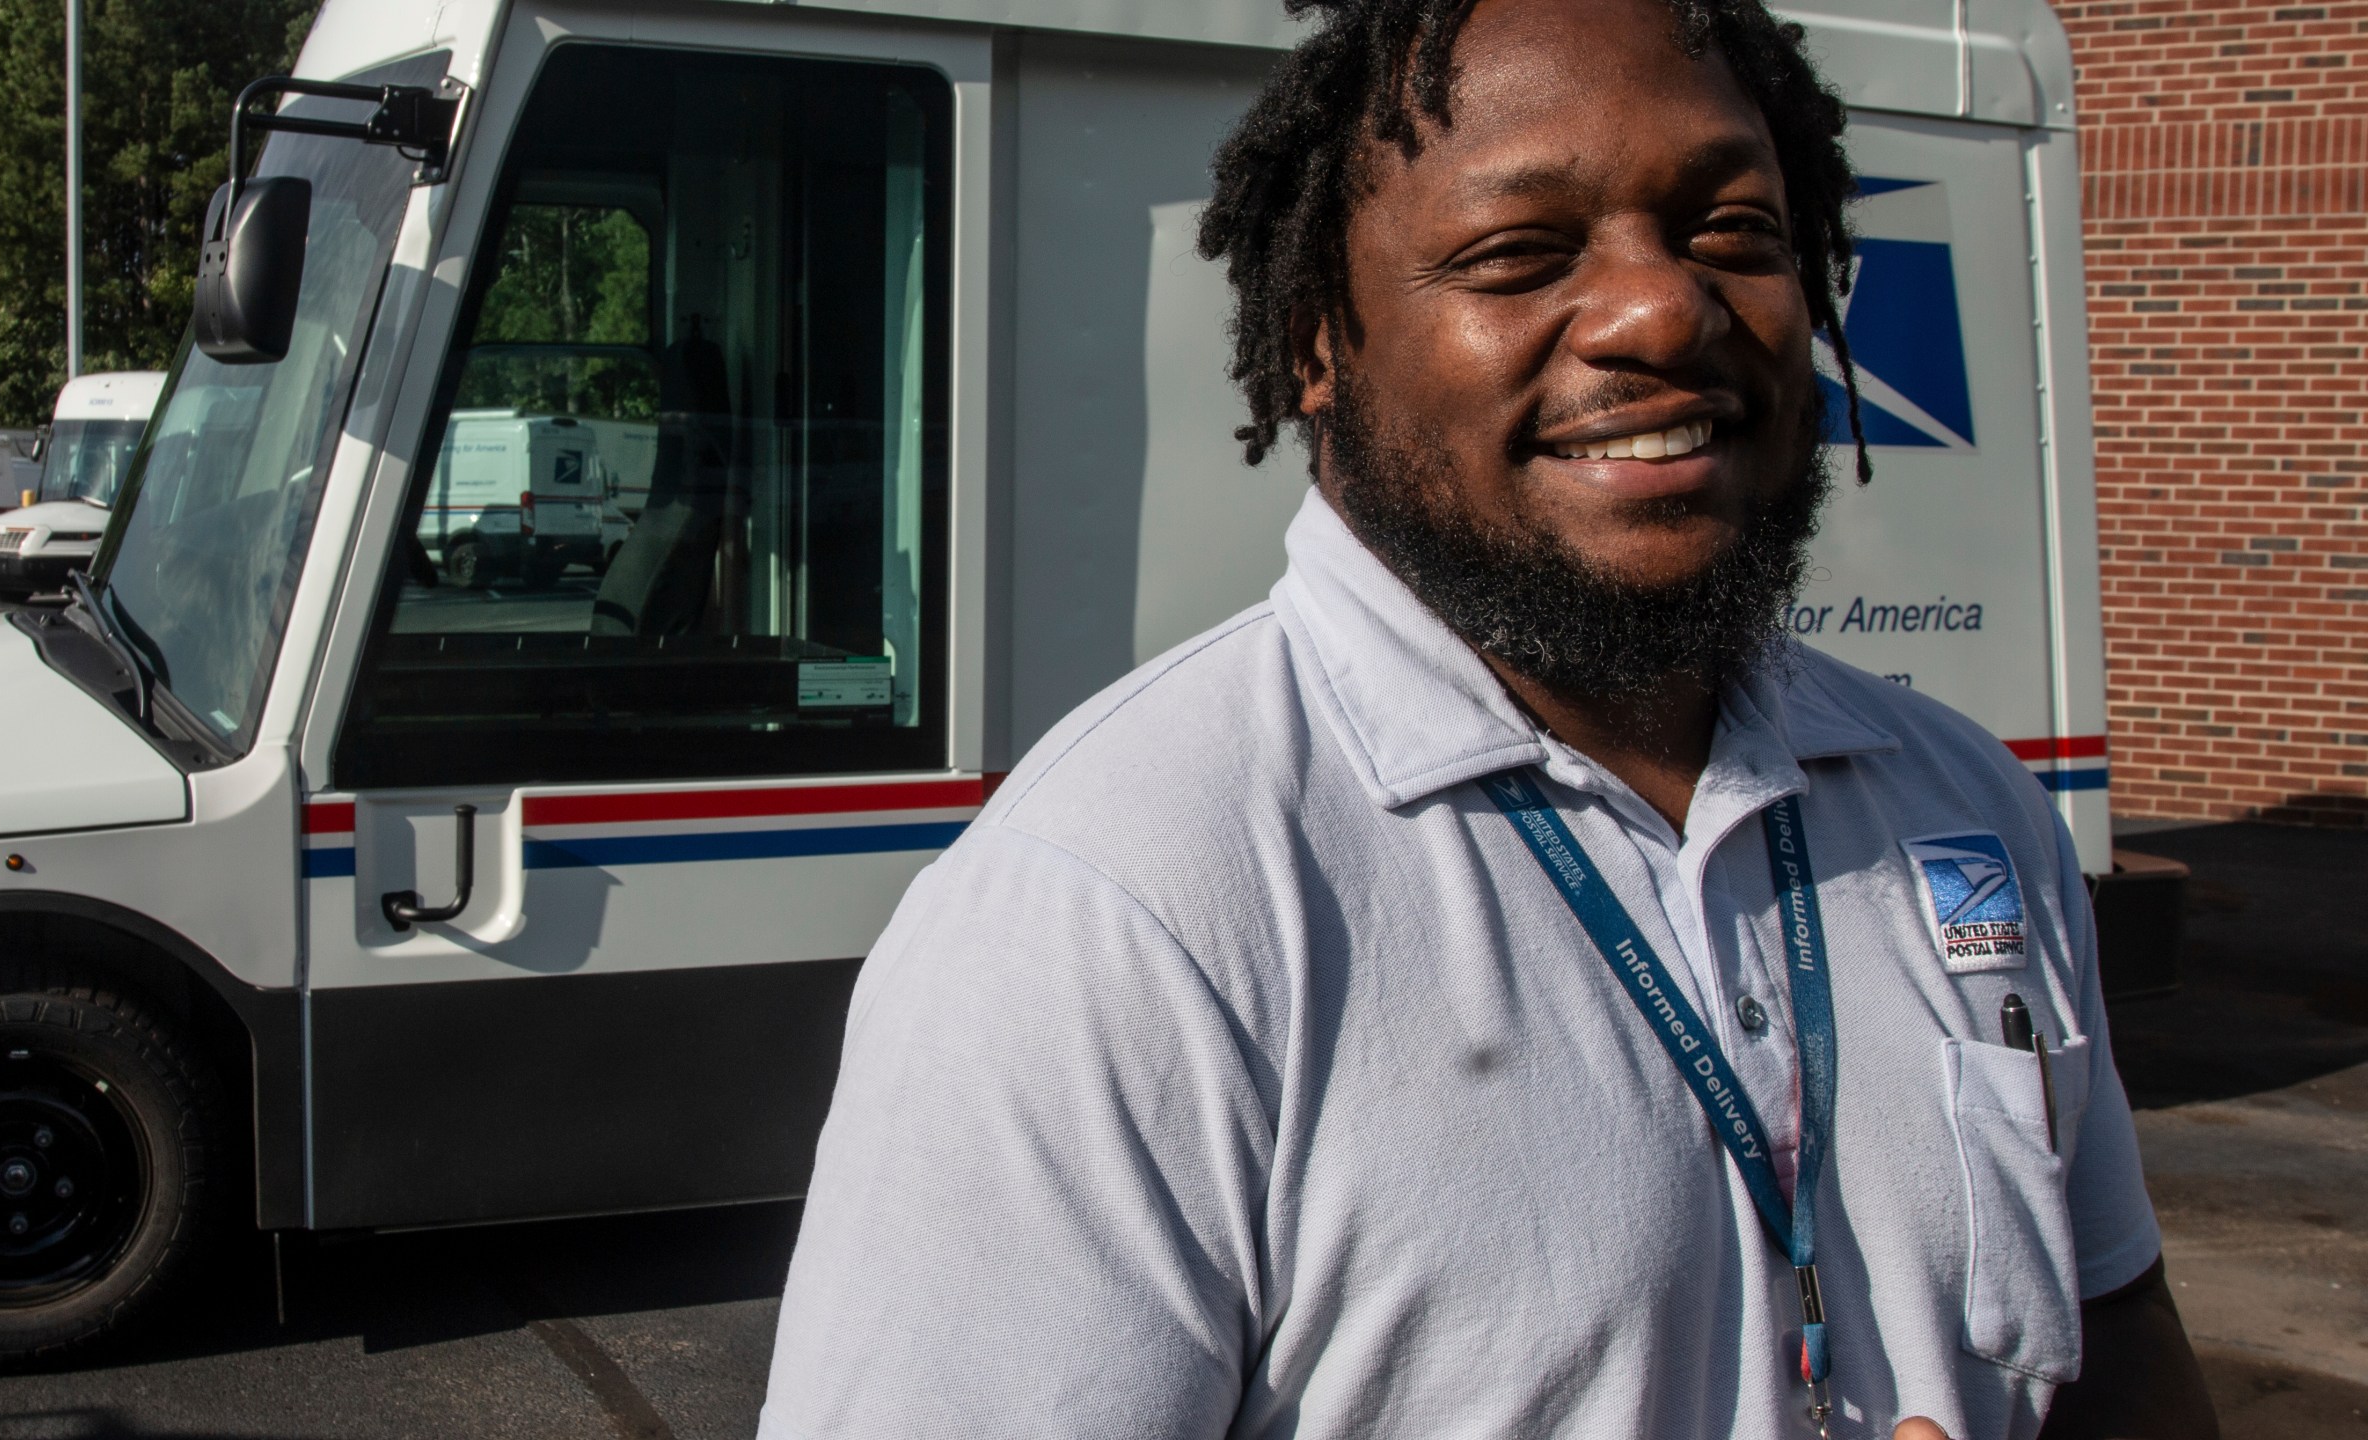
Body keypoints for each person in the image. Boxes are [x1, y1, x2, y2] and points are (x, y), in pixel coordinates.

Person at [762, 0, 2219, 1436]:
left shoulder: (1964, 804)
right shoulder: (1114, 913)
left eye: (1735, 232)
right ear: (1316, 340)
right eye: (1520, 252)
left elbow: (2114, 1336)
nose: (1666, 308)